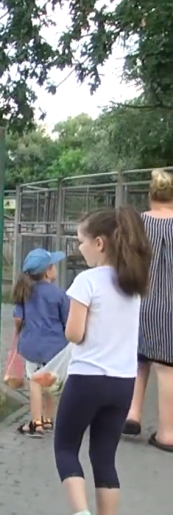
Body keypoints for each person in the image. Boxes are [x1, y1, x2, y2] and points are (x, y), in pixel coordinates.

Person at [54, 206, 152, 515]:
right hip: (123, 382)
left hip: (87, 378)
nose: (79, 247)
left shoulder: (88, 280)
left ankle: (81, 512)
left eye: (81, 241)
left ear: (99, 243)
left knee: (66, 448)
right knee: (105, 456)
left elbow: (74, 333)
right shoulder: (132, 283)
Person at [124, 167, 173, 451]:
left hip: (139, 302)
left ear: (150, 194)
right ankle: (167, 433)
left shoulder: (139, 224)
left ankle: (131, 415)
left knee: (137, 360)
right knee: (167, 370)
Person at [11, 247, 70, 437]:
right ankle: (47, 419)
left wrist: (19, 331)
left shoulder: (24, 292)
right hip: (55, 347)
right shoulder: (59, 294)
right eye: (53, 266)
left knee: (35, 382)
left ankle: (35, 421)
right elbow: (67, 321)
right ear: (47, 271)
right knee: (50, 382)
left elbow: (18, 318)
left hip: (32, 346)